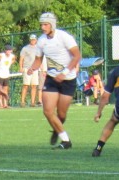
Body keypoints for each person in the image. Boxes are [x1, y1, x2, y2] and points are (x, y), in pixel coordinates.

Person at [27, 12, 81, 149]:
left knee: (61, 115)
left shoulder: (64, 37)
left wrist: (65, 73)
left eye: (45, 24)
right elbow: (38, 60)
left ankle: (57, 130)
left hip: (68, 80)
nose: (43, 27)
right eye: (41, 24)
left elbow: (77, 56)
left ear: (52, 25)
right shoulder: (41, 40)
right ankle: (66, 140)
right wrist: (32, 68)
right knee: (48, 111)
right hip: (51, 79)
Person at [92, 41, 119, 157]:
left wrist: (98, 113)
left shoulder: (116, 71)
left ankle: (98, 148)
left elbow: (105, 96)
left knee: (112, 122)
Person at [19, 34, 39, 107]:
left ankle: (32, 102)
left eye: (34, 39)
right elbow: (21, 58)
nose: (33, 41)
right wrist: (21, 67)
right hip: (27, 68)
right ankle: (22, 102)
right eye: (31, 39)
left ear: (36, 40)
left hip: (35, 69)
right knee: (26, 85)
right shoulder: (25, 48)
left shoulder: (38, 48)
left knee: (34, 86)